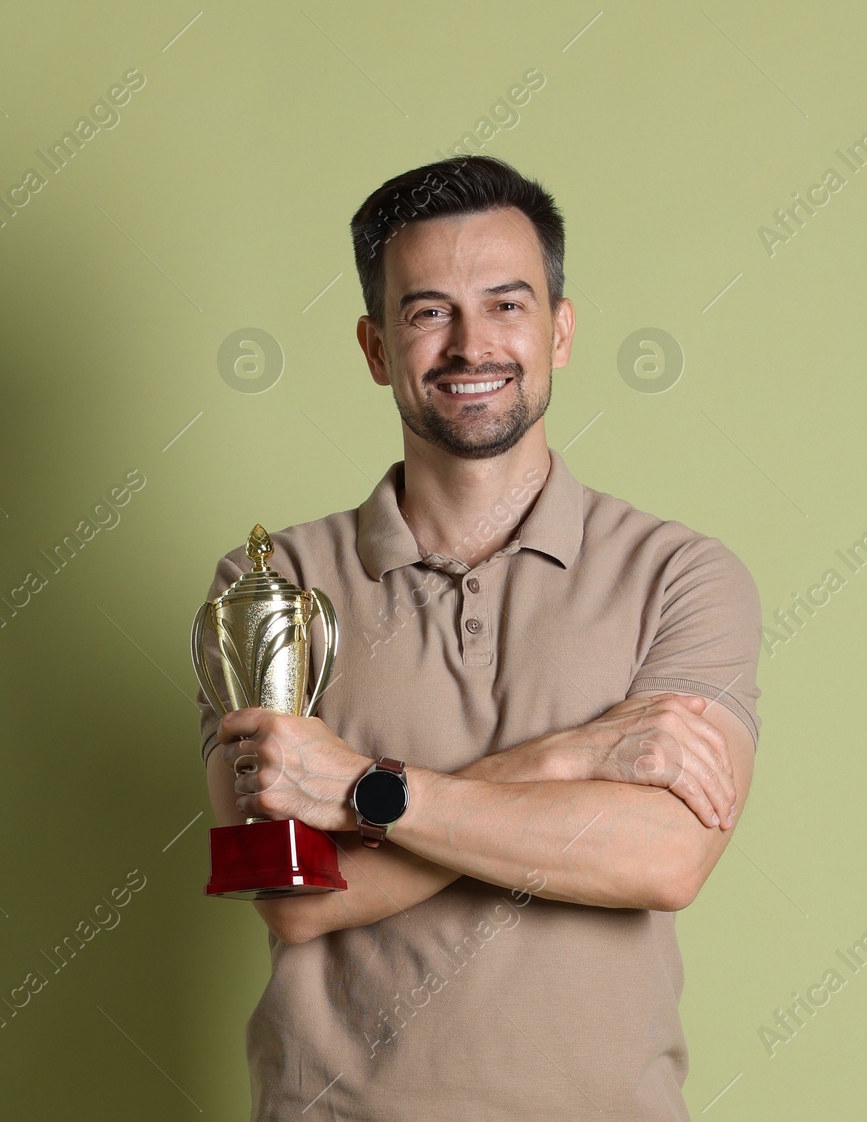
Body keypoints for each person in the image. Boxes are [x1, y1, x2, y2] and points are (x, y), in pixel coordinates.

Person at [196, 154, 762, 1120]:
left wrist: (367, 794)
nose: (472, 346)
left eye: (507, 305)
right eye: (428, 312)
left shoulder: (684, 574)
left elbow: (662, 860)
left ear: (560, 330)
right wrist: (572, 758)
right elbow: (296, 899)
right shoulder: (274, 587)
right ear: (377, 347)